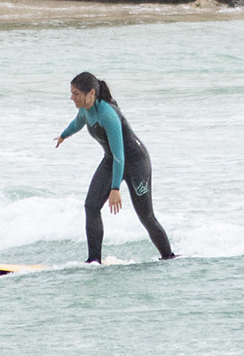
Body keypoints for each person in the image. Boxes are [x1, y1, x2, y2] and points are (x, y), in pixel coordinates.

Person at [55, 71, 176, 264]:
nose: (72, 97)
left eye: (76, 93)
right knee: (91, 206)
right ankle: (94, 261)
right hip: (112, 160)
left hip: (135, 162)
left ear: (91, 93)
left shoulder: (108, 115)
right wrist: (64, 135)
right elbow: (78, 122)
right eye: (72, 93)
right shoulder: (85, 109)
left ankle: (168, 256)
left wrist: (115, 188)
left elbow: (120, 155)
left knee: (146, 216)